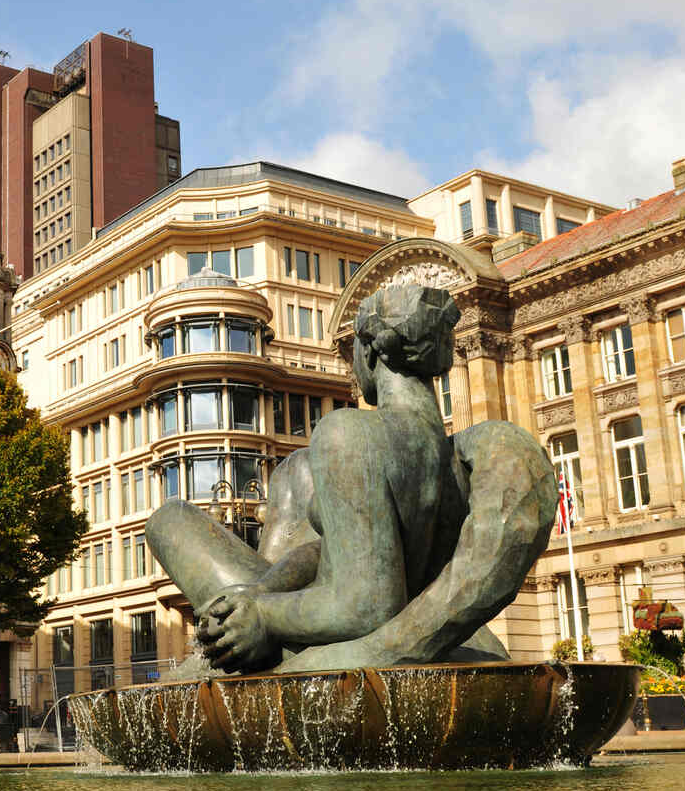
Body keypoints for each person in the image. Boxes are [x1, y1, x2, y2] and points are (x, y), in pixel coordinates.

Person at [148, 284, 553, 673]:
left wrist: (263, 616)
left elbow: (366, 604)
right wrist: (261, 592)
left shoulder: (350, 433)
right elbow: (335, 554)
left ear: (371, 351)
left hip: (328, 644)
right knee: (295, 474)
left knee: (168, 520)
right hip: (374, 625)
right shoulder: (458, 456)